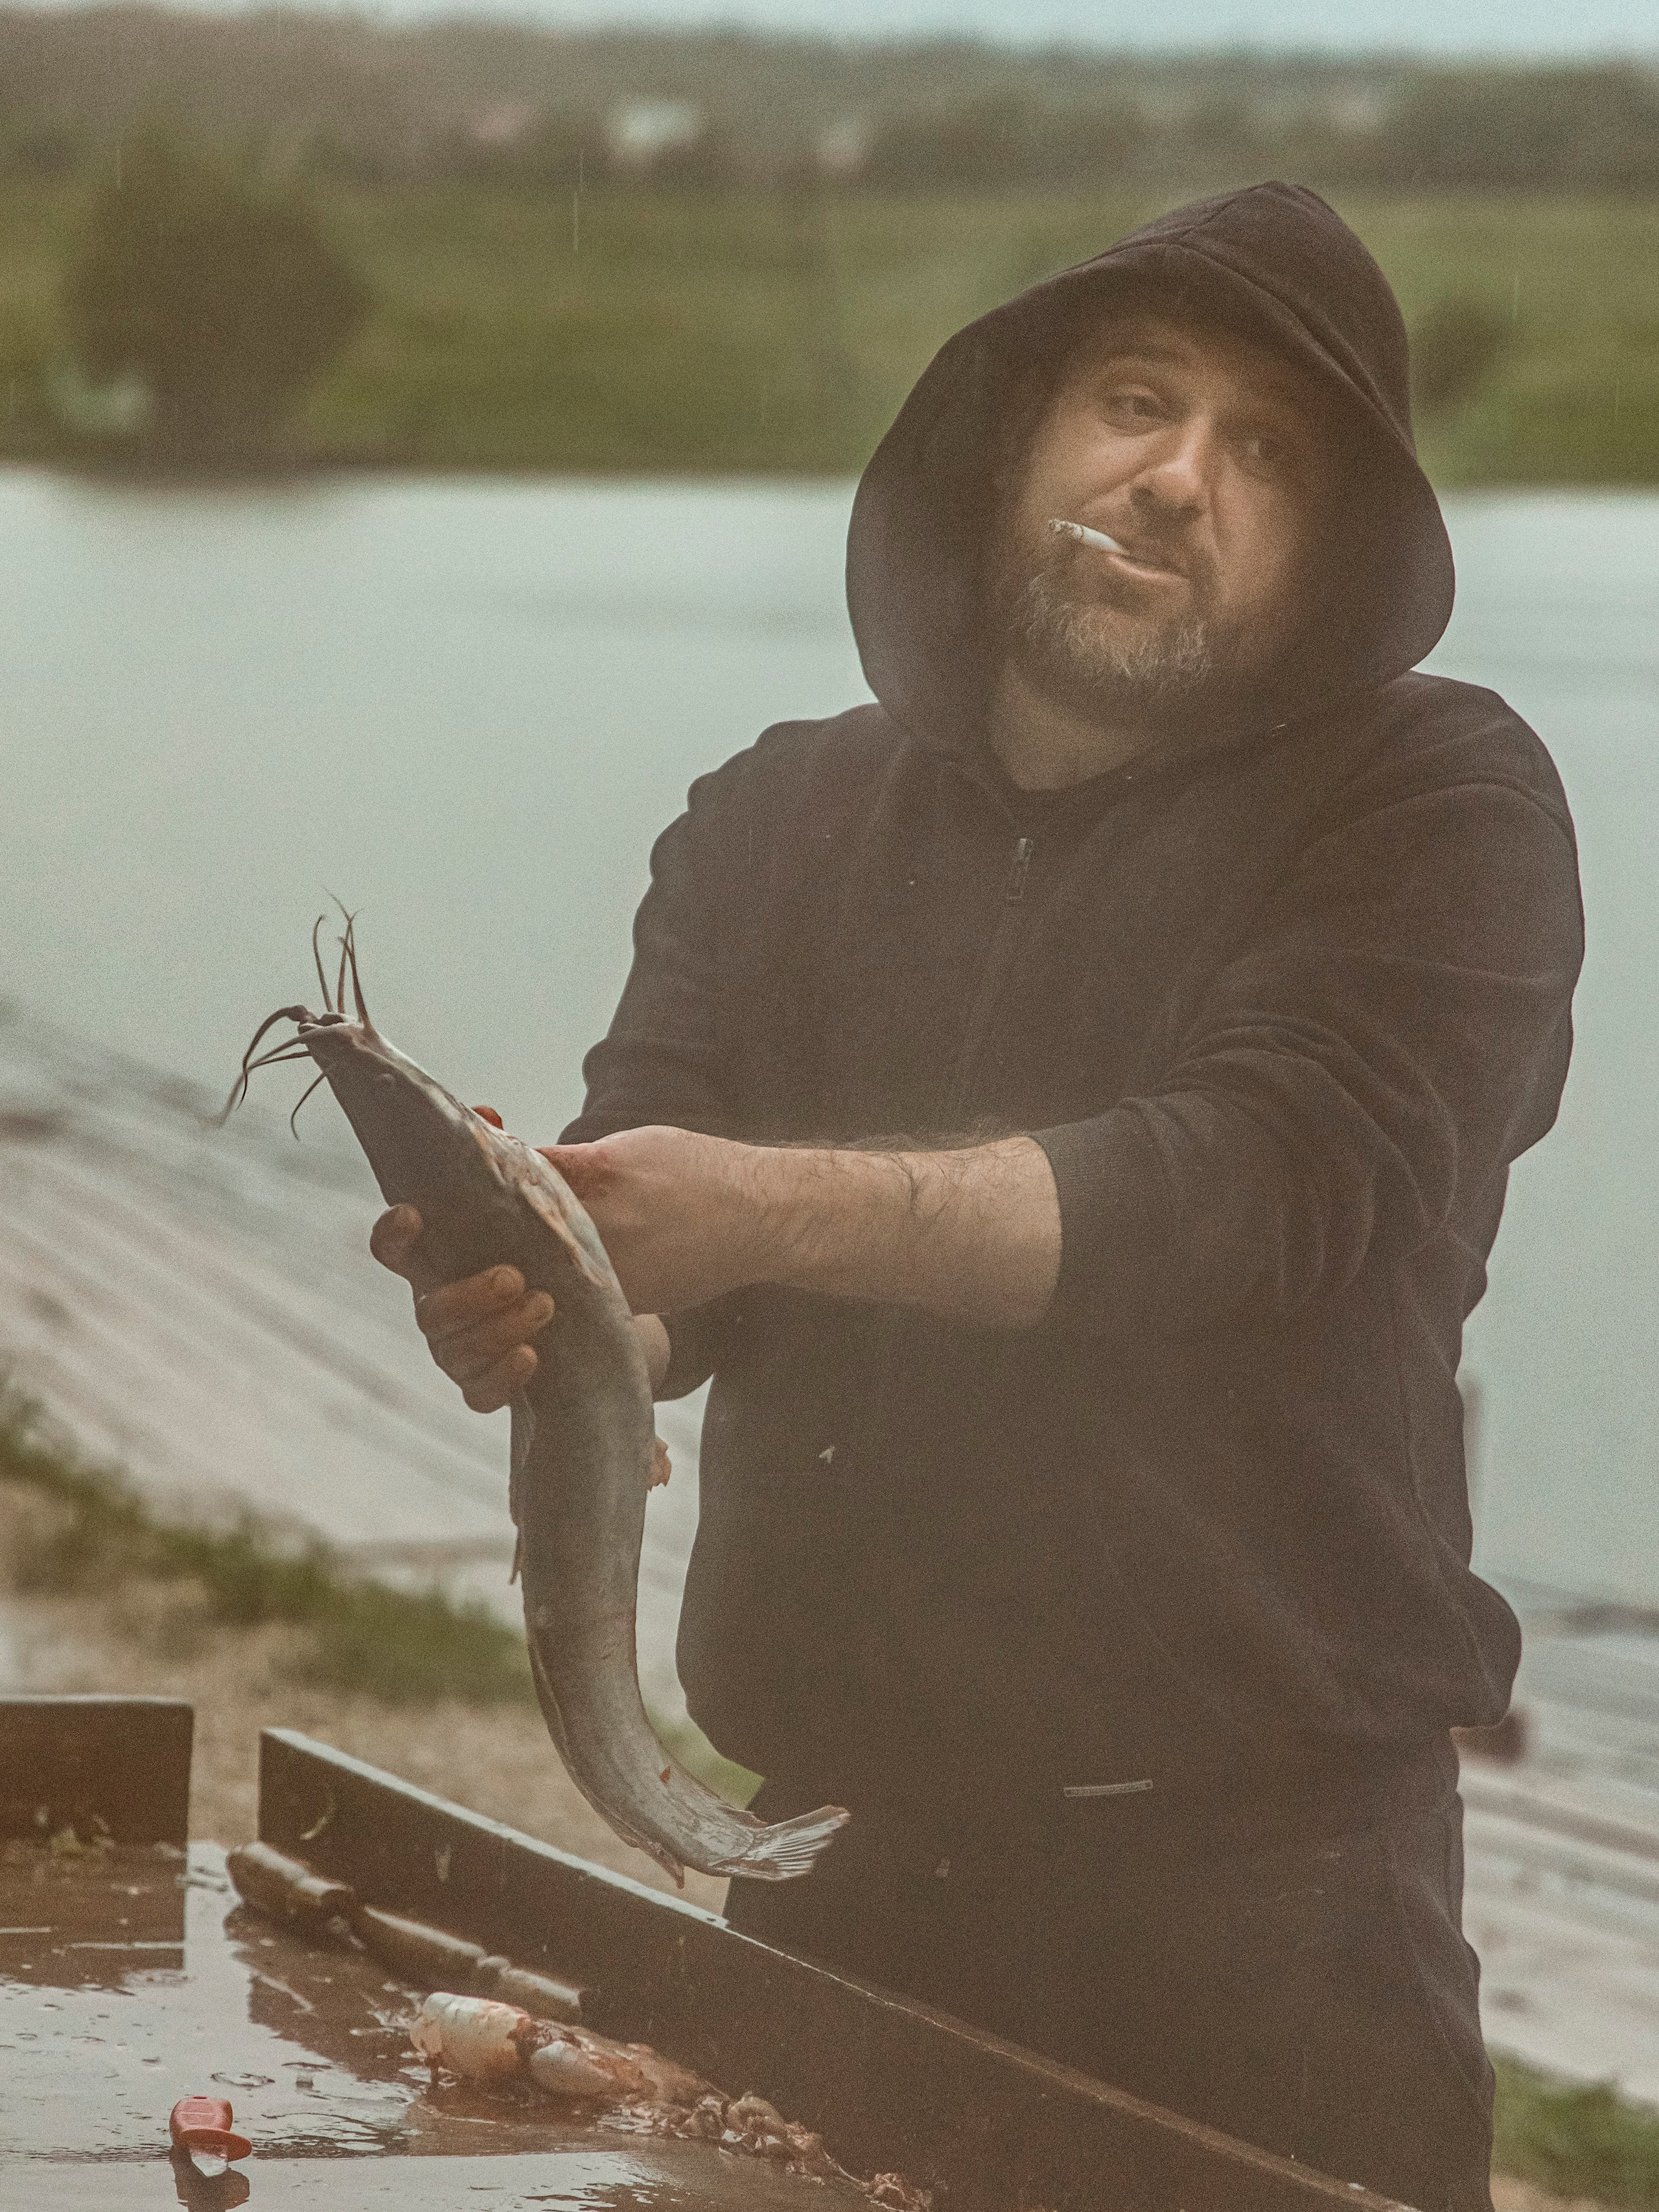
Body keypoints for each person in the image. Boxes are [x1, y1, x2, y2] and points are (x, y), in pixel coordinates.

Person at [372, 183, 1583, 2211]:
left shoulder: (1438, 803)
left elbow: (1248, 1184)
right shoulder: (776, 815)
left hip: (1268, 1929)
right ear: (1017, 431)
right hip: (836, 1882)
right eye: (1137, 398)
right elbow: (671, 1279)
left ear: (1335, 553)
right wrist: (564, 1302)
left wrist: (763, 1208)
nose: (1180, 477)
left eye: (1268, 451)